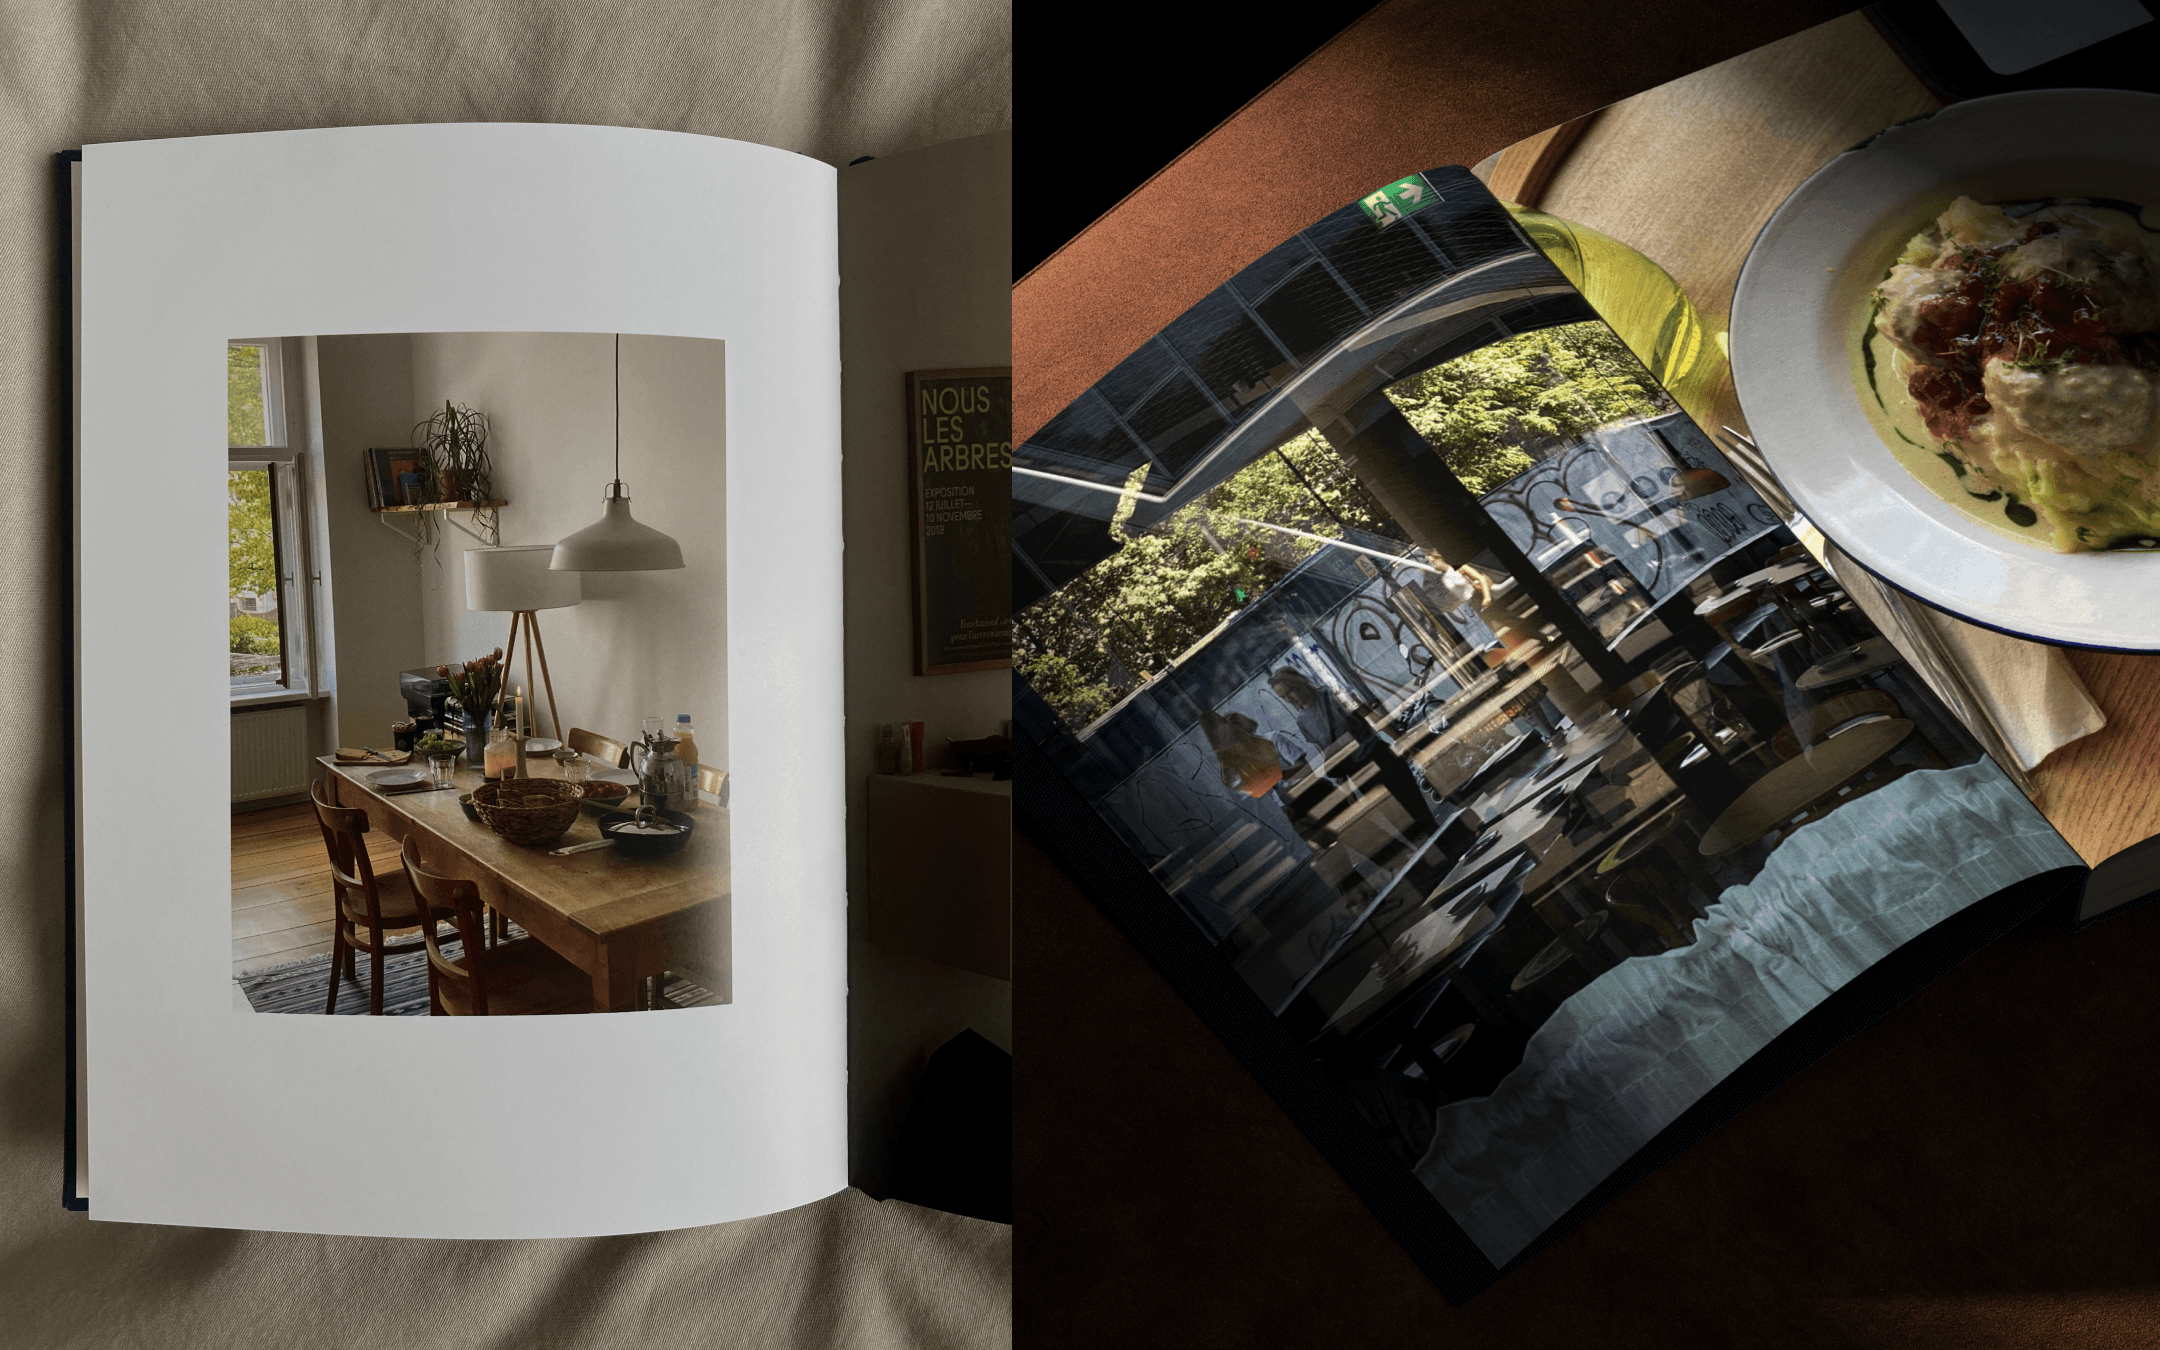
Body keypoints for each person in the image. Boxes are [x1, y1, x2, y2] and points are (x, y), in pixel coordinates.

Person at [1265, 668, 1438, 839]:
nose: (1289, 699)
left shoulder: (1334, 695)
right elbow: (1329, 755)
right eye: (1283, 697)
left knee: (1417, 809)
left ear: (1301, 682)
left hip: (1377, 756)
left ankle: (1450, 843)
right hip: (1359, 772)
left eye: (1291, 691)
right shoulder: (1302, 720)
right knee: (1402, 822)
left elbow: (1370, 716)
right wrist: (1347, 790)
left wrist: (1403, 741)